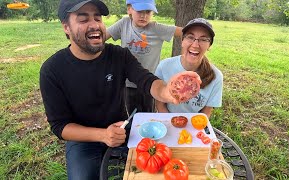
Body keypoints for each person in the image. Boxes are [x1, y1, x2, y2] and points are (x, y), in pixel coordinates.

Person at [39, 0, 198, 179]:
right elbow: (59, 126)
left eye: (98, 18)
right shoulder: (52, 69)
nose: (94, 25)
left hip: (122, 130)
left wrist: (167, 91)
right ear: (66, 27)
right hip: (82, 140)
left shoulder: (119, 55)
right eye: (83, 20)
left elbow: (146, 80)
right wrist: (103, 135)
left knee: (144, 173)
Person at [106, 0, 182, 113]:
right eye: (139, 11)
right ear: (129, 9)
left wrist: (200, 37)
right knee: (129, 115)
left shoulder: (156, 28)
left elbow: (184, 32)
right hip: (127, 82)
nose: (144, 16)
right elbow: (100, 38)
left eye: (148, 12)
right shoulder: (124, 24)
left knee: (148, 114)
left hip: (150, 84)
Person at [155, 18, 223, 118]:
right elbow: (159, 104)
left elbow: (206, 113)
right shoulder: (164, 66)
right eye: (190, 37)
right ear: (182, 41)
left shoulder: (216, 76)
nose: (195, 45)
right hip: (166, 119)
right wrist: (171, 122)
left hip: (194, 124)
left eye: (203, 39)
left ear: (209, 46)